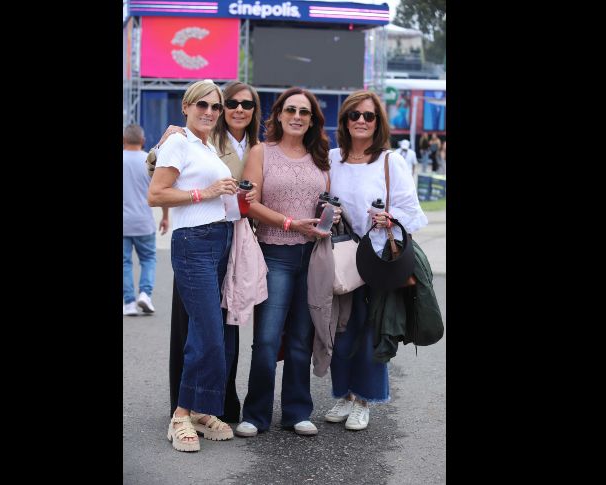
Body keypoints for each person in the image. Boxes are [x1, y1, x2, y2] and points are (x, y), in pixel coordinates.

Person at [146, 82, 262, 425]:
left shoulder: (207, 146)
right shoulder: (179, 141)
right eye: (202, 105)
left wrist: (236, 196)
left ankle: (202, 410)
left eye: (215, 106)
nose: (210, 111)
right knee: (207, 333)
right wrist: (207, 192)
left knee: (213, 335)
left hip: (222, 240)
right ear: (186, 106)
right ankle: (181, 415)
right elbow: (156, 194)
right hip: (193, 242)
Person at [323, 90, 428, 431]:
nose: (361, 122)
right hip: (340, 254)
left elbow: (412, 213)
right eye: (354, 115)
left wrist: (388, 217)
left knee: (371, 328)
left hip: (377, 258)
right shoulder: (332, 158)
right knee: (339, 327)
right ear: (344, 121)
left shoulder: (389, 161)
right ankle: (343, 394)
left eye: (368, 116)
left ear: (378, 122)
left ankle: (364, 398)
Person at [235, 87, 332, 438]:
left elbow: (327, 200)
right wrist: (289, 223)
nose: (297, 116)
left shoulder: (320, 157)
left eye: (304, 112)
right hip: (274, 252)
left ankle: (296, 411)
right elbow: (249, 203)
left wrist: (329, 218)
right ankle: (256, 414)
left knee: (301, 338)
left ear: (312, 120)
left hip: (313, 256)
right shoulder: (262, 153)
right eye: (290, 110)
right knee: (266, 338)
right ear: (277, 114)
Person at [123, 124, 168, 316]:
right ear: (142, 141)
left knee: (125, 263)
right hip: (144, 222)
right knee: (148, 259)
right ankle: (145, 294)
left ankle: (129, 303)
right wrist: (165, 216)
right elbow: (161, 190)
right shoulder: (149, 162)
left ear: (124, 140)